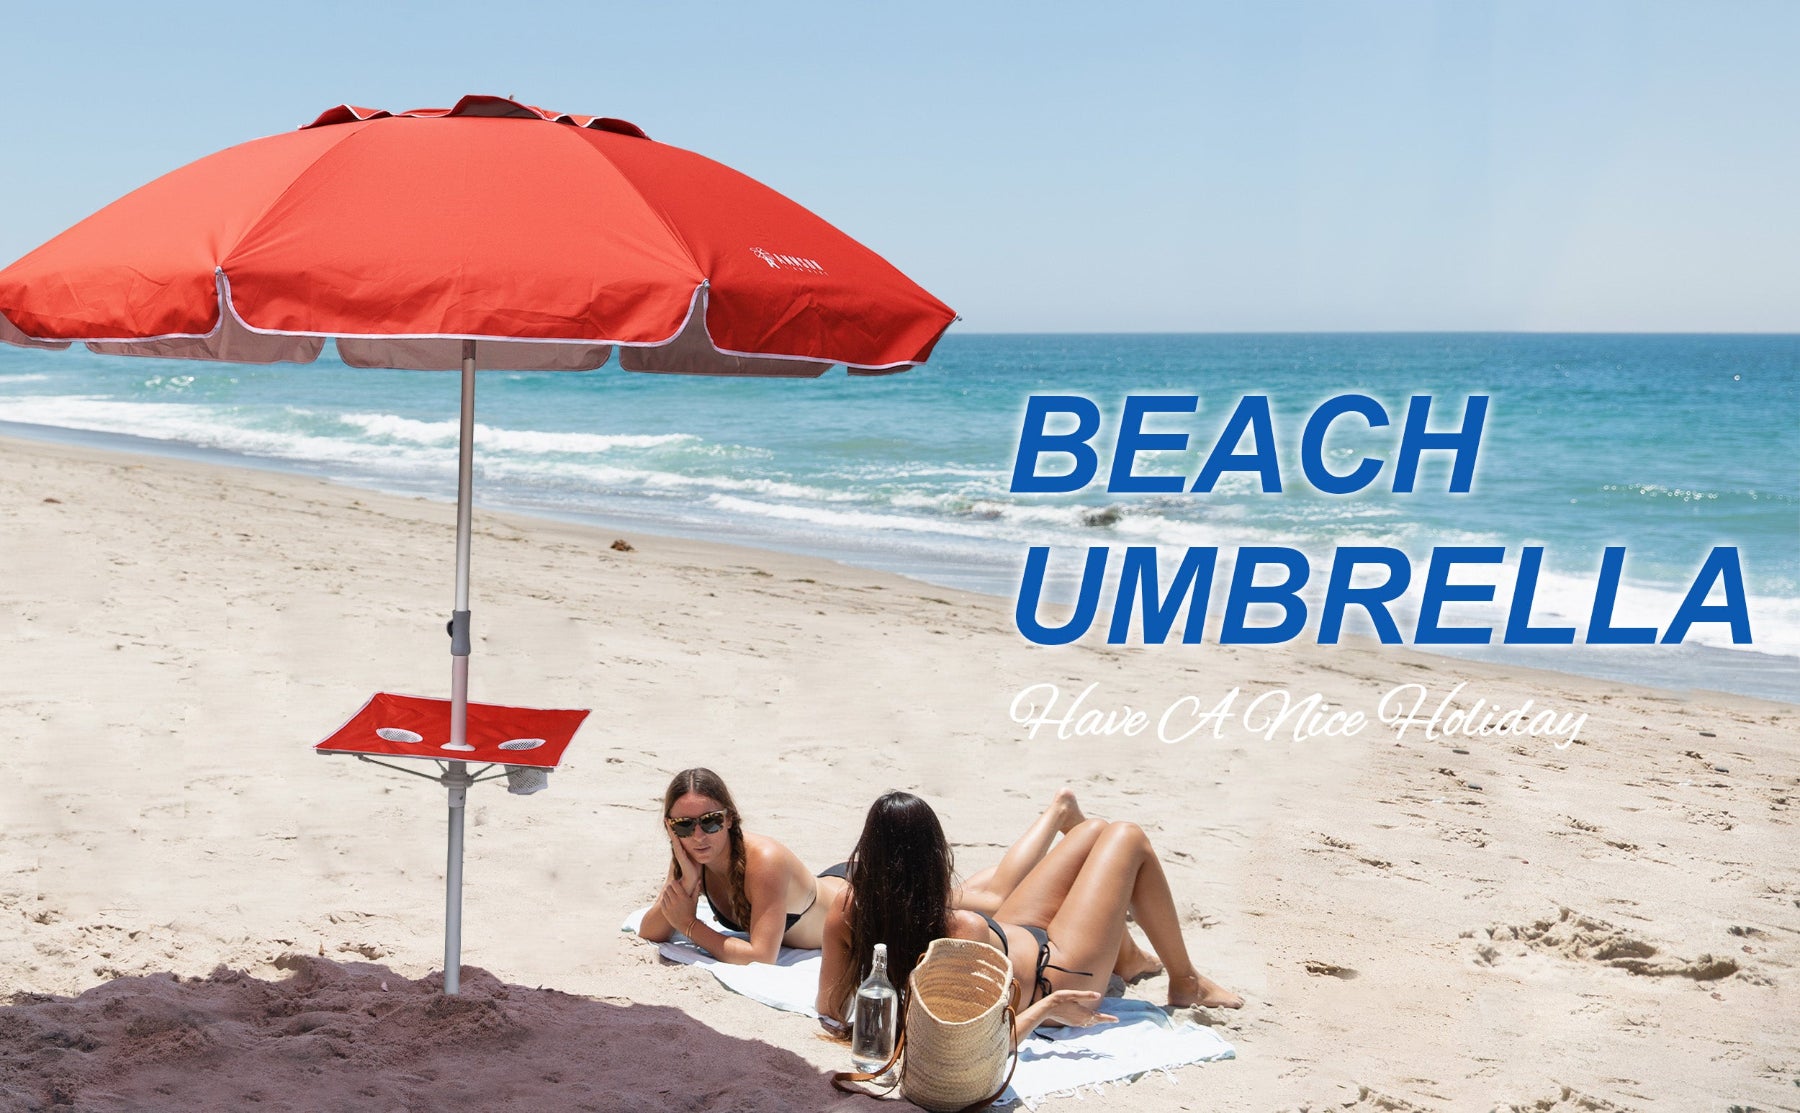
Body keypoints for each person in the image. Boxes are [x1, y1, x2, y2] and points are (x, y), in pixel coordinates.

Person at [817, 791, 1242, 1039]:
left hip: (1012, 932)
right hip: (1054, 970)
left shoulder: (847, 909)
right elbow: (980, 1038)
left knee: (1092, 830)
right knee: (1127, 837)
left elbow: (830, 1010)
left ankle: (1127, 957)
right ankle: (1185, 981)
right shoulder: (960, 928)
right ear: (934, 857)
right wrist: (1046, 1009)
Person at [638, 768, 848, 964]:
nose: (698, 836)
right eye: (684, 825)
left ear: (729, 818)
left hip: (860, 902)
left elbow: (762, 957)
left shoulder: (766, 861)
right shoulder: (690, 859)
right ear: (670, 827)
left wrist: (689, 926)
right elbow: (650, 931)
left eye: (710, 821)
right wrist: (687, 883)